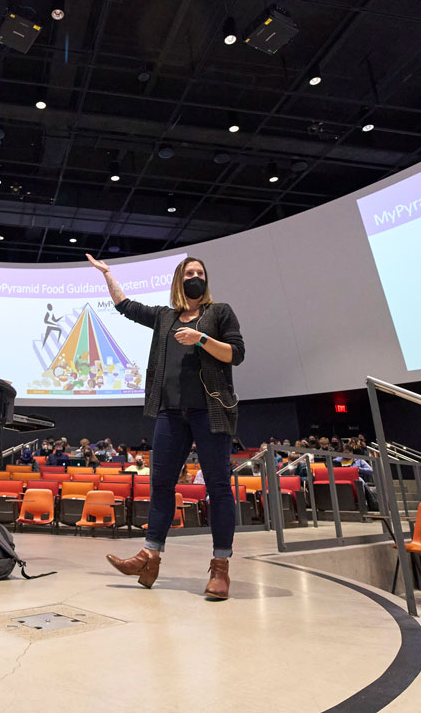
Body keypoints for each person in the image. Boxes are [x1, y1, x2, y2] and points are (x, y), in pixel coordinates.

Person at [92, 253, 245, 600]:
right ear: (179, 280)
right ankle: (149, 557)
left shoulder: (220, 312)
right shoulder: (165, 317)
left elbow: (236, 354)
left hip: (211, 411)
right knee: (160, 485)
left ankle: (220, 569)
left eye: (200, 272)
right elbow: (125, 306)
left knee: (219, 488)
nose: (196, 277)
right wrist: (108, 275)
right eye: (189, 272)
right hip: (170, 413)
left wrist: (202, 339)